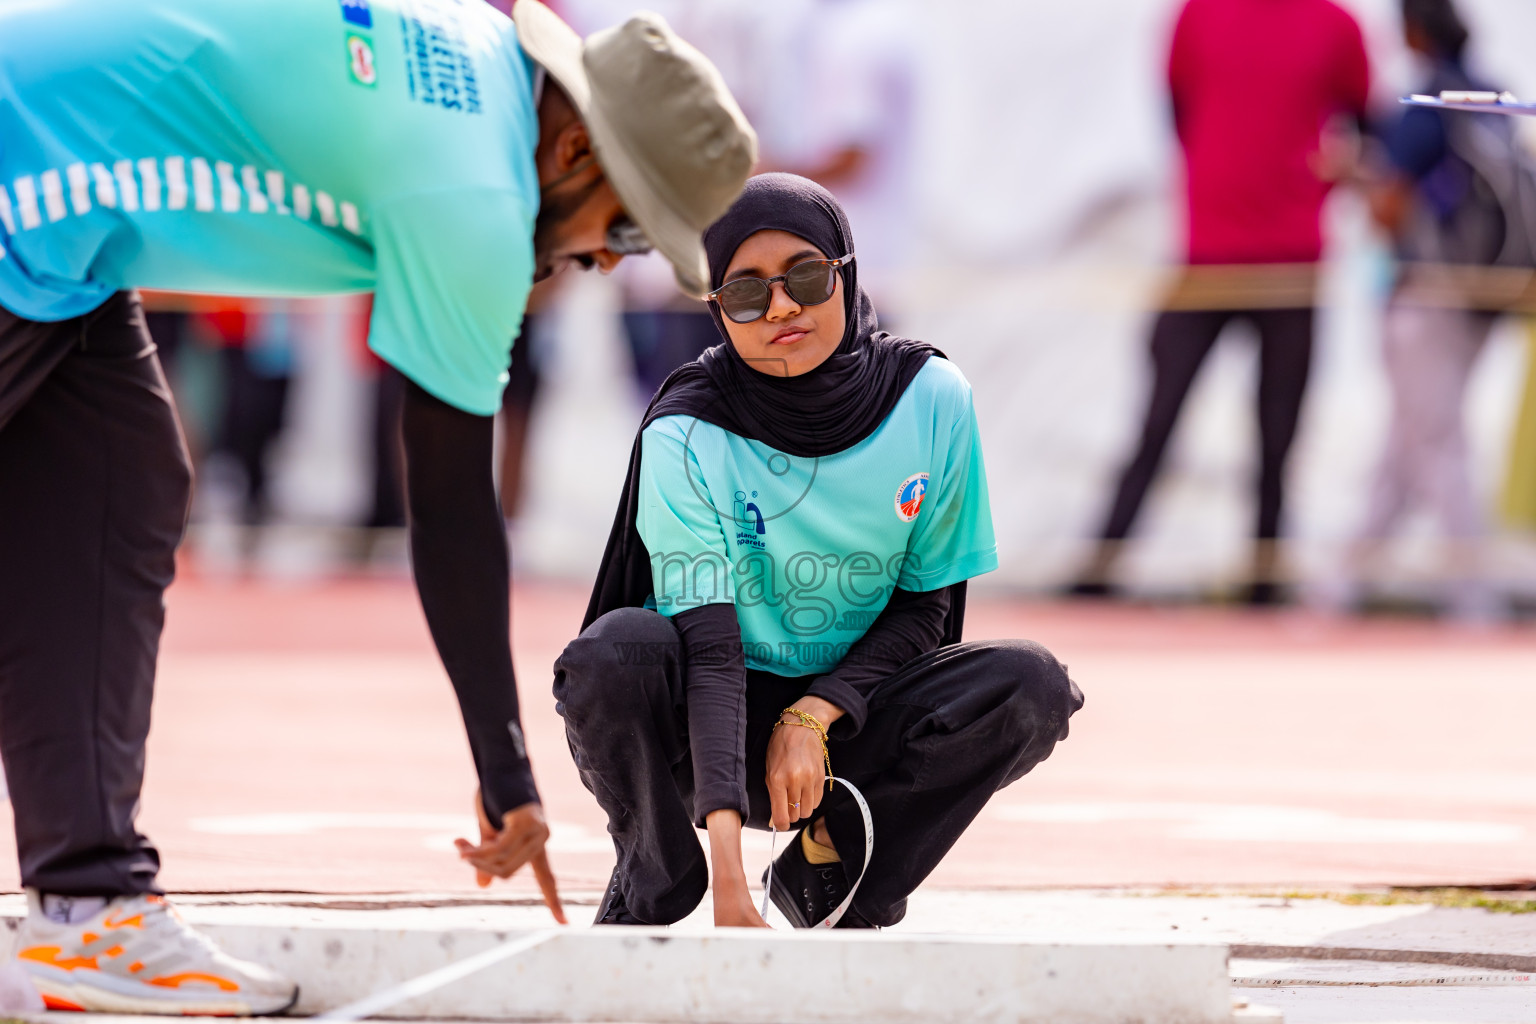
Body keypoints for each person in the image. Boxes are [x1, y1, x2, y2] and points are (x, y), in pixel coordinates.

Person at [0, 0, 754, 1012]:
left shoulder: (473, 58)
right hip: (26, 187)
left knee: (116, 487)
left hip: (55, 231)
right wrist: (510, 774)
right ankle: (87, 898)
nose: (613, 261)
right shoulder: (477, 190)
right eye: (627, 222)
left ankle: (89, 910)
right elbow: (447, 503)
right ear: (573, 146)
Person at [553, 175, 1084, 929]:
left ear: (846, 270)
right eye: (746, 293)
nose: (781, 308)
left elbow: (925, 606)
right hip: (704, 722)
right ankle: (656, 879)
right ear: (715, 309)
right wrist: (731, 880)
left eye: (805, 277)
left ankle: (834, 863)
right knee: (610, 656)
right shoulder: (685, 431)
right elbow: (707, 648)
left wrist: (814, 714)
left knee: (1028, 686)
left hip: (852, 722)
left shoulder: (931, 397)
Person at [1071, 0, 1371, 604]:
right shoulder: (1197, 17)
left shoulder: (1335, 25)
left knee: (1277, 432)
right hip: (1211, 253)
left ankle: (1262, 578)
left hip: (1288, 259)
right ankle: (1101, 568)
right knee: (1160, 419)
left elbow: (1363, 121)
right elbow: (1181, 113)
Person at [1345, 0, 1523, 621]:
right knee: (1408, 443)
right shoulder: (1492, 93)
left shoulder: (1426, 103)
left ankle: (1473, 601)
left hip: (1427, 293)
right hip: (1481, 296)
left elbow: (1389, 209)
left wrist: (1356, 178)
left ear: (1413, 32)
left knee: (1438, 443)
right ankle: (1336, 590)